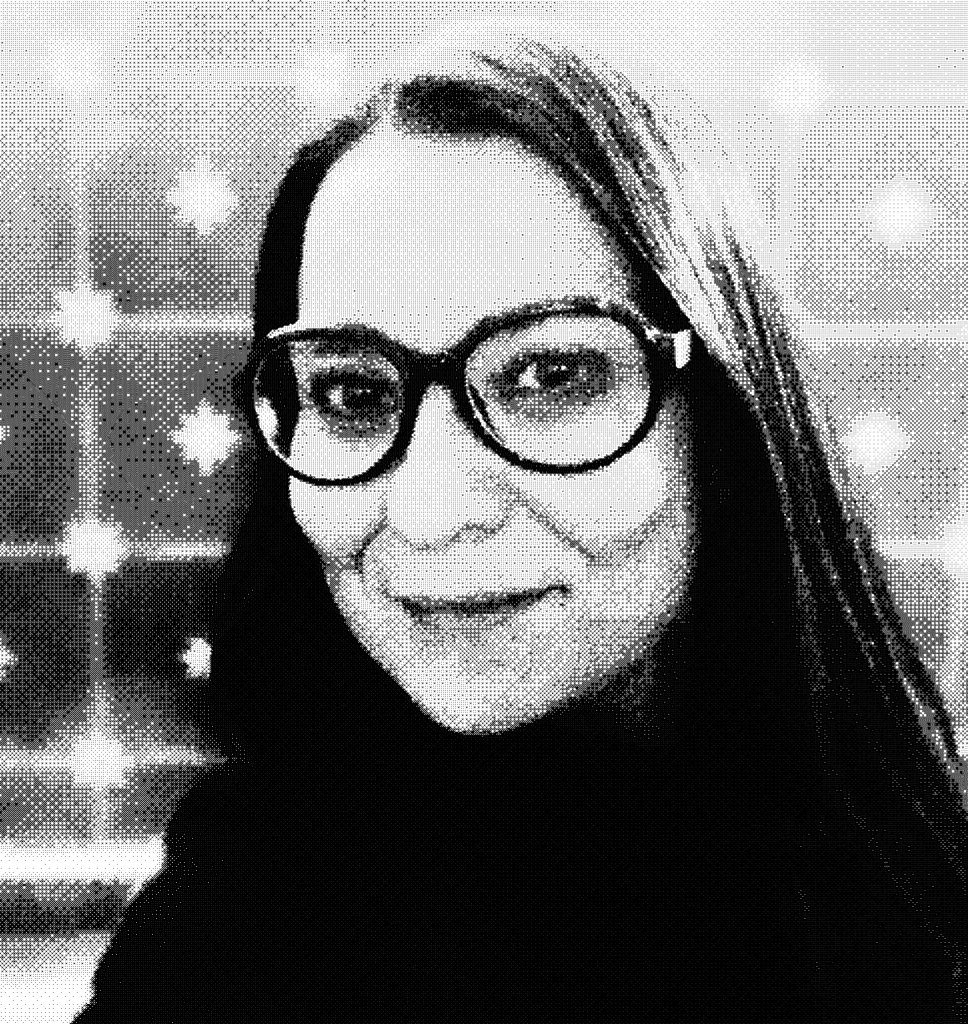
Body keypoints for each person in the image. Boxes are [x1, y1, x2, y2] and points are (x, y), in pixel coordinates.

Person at [73, 34, 968, 1023]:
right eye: (353, 392)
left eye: (550, 375)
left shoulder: (920, 877)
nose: (431, 512)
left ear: (723, 416)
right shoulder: (251, 914)